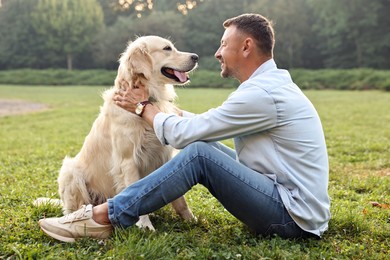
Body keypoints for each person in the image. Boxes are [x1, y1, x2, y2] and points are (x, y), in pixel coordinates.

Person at [38, 13, 330, 242]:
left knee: (200, 153)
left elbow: (185, 133)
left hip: (290, 217)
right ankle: (118, 211)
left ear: (246, 46)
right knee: (202, 147)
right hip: (292, 205)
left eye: (223, 45)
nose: (217, 53)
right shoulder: (267, 87)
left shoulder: (261, 95)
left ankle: (102, 217)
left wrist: (143, 108)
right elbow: (201, 127)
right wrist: (161, 110)